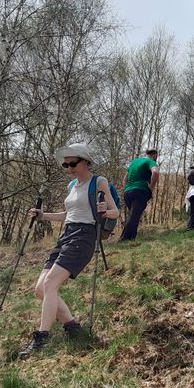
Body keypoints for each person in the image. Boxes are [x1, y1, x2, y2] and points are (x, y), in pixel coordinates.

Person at [20, 143, 119, 356]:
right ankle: (73, 328)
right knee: (40, 289)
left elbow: (116, 212)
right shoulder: (72, 186)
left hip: (85, 236)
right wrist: (43, 216)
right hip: (66, 235)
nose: (69, 168)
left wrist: (106, 211)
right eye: (65, 165)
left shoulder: (99, 182)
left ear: (85, 161)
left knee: (50, 283)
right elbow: (68, 215)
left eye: (72, 163)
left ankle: (41, 338)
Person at [120, 149, 160, 242]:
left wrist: (125, 188)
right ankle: (124, 239)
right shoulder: (150, 161)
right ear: (155, 155)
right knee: (134, 216)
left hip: (128, 192)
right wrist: (151, 188)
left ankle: (132, 238)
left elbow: (125, 178)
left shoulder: (134, 162)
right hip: (140, 191)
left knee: (134, 216)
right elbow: (155, 173)